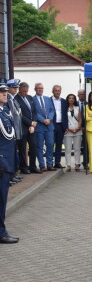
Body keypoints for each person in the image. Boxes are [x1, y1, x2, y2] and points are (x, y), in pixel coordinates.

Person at [0, 79, 18, 244]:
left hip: (7, 162)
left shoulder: (4, 111)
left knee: (3, 199)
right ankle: (1, 233)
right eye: (2, 92)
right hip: (1, 163)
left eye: (6, 91)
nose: (5, 93)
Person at [15, 82, 39, 174]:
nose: (26, 93)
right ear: (20, 90)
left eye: (27, 91)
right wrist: (30, 123)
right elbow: (20, 114)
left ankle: (33, 166)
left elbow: (34, 111)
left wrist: (33, 124)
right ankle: (23, 167)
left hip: (32, 128)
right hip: (23, 127)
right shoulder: (16, 99)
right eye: (24, 91)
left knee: (33, 146)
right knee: (22, 148)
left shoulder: (30, 98)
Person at [33, 83, 56, 172]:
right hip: (39, 126)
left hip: (49, 126)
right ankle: (42, 165)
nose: (40, 89)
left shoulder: (47, 99)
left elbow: (52, 110)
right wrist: (43, 120)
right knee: (40, 147)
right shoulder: (32, 99)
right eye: (38, 88)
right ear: (35, 89)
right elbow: (34, 112)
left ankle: (50, 165)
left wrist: (49, 119)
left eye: (41, 88)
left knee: (50, 145)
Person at [6, 79, 22, 186]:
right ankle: (10, 176)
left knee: (14, 154)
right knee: (10, 155)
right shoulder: (7, 99)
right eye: (14, 88)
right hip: (11, 131)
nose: (16, 89)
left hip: (16, 130)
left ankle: (13, 174)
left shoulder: (14, 99)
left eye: (17, 88)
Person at [63, 94, 82, 172]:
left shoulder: (77, 108)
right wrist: (68, 129)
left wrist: (78, 128)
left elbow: (80, 119)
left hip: (77, 130)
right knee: (68, 149)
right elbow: (63, 120)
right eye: (70, 98)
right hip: (68, 131)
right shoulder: (64, 109)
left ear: (75, 100)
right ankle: (68, 165)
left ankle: (77, 164)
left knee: (77, 149)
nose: (71, 99)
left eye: (73, 98)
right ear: (67, 99)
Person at [50, 85, 67, 169]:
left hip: (61, 126)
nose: (57, 92)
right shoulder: (49, 100)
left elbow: (65, 115)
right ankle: (50, 163)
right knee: (50, 144)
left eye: (59, 90)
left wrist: (66, 126)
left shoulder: (64, 101)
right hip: (52, 125)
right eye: (56, 90)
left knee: (59, 145)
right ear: (53, 91)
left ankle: (57, 162)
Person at [77, 89, 88, 170]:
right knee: (77, 147)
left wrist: (85, 127)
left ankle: (85, 163)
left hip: (87, 129)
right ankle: (76, 163)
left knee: (86, 147)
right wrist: (80, 127)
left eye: (83, 94)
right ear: (78, 95)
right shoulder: (74, 104)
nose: (82, 96)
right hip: (76, 128)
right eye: (80, 94)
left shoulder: (89, 104)